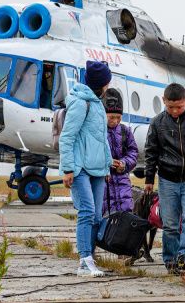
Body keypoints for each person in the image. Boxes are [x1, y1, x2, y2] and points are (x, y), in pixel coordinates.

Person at [59, 60, 112, 278]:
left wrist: (107, 164)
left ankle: (89, 258)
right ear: (102, 83)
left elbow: (102, 139)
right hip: (80, 167)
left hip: (98, 168)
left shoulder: (98, 103)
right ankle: (84, 260)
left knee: (97, 216)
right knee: (87, 211)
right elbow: (67, 137)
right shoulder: (82, 103)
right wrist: (68, 168)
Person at [144, 83, 185, 274]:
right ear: (164, 101)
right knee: (169, 223)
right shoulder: (157, 123)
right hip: (167, 178)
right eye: (171, 107)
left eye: (179, 106)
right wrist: (149, 179)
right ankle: (170, 260)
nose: (175, 111)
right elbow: (151, 152)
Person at [102, 91, 139, 216]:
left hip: (122, 179)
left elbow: (133, 151)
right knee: (105, 212)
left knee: (126, 212)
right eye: (111, 117)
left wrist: (124, 163)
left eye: (119, 117)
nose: (116, 121)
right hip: (103, 181)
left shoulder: (125, 130)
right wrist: (107, 163)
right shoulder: (97, 131)